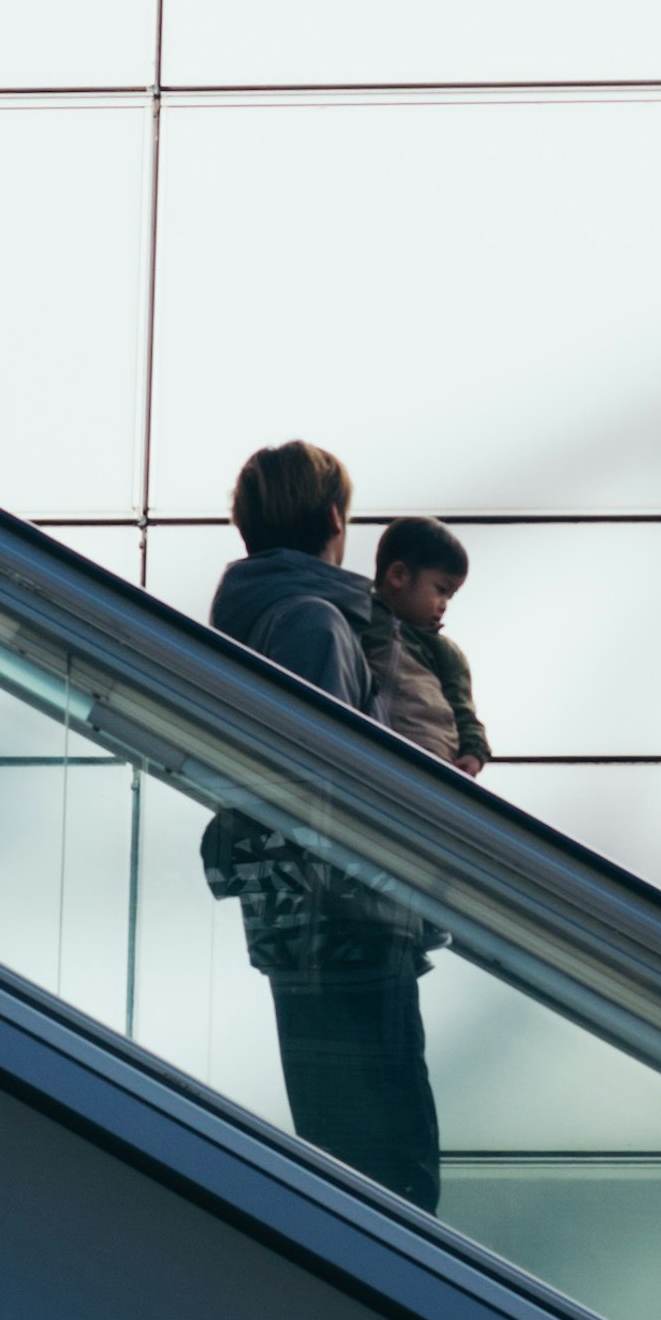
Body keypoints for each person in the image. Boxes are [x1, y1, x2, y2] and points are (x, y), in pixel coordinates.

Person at [199, 440, 442, 1210]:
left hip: (311, 937)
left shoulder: (266, 619)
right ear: (336, 518)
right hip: (344, 937)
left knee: (356, 1172)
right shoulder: (311, 623)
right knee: (392, 1181)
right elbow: (322, 792)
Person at [366, 520, 490, 779]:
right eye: (441, 590)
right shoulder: (360, 618)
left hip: (430, 761)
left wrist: (473, 751)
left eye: (450, 596)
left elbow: (463, 711)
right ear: (398, 575)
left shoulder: (445, 653)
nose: (444, 605)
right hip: (366, 749)